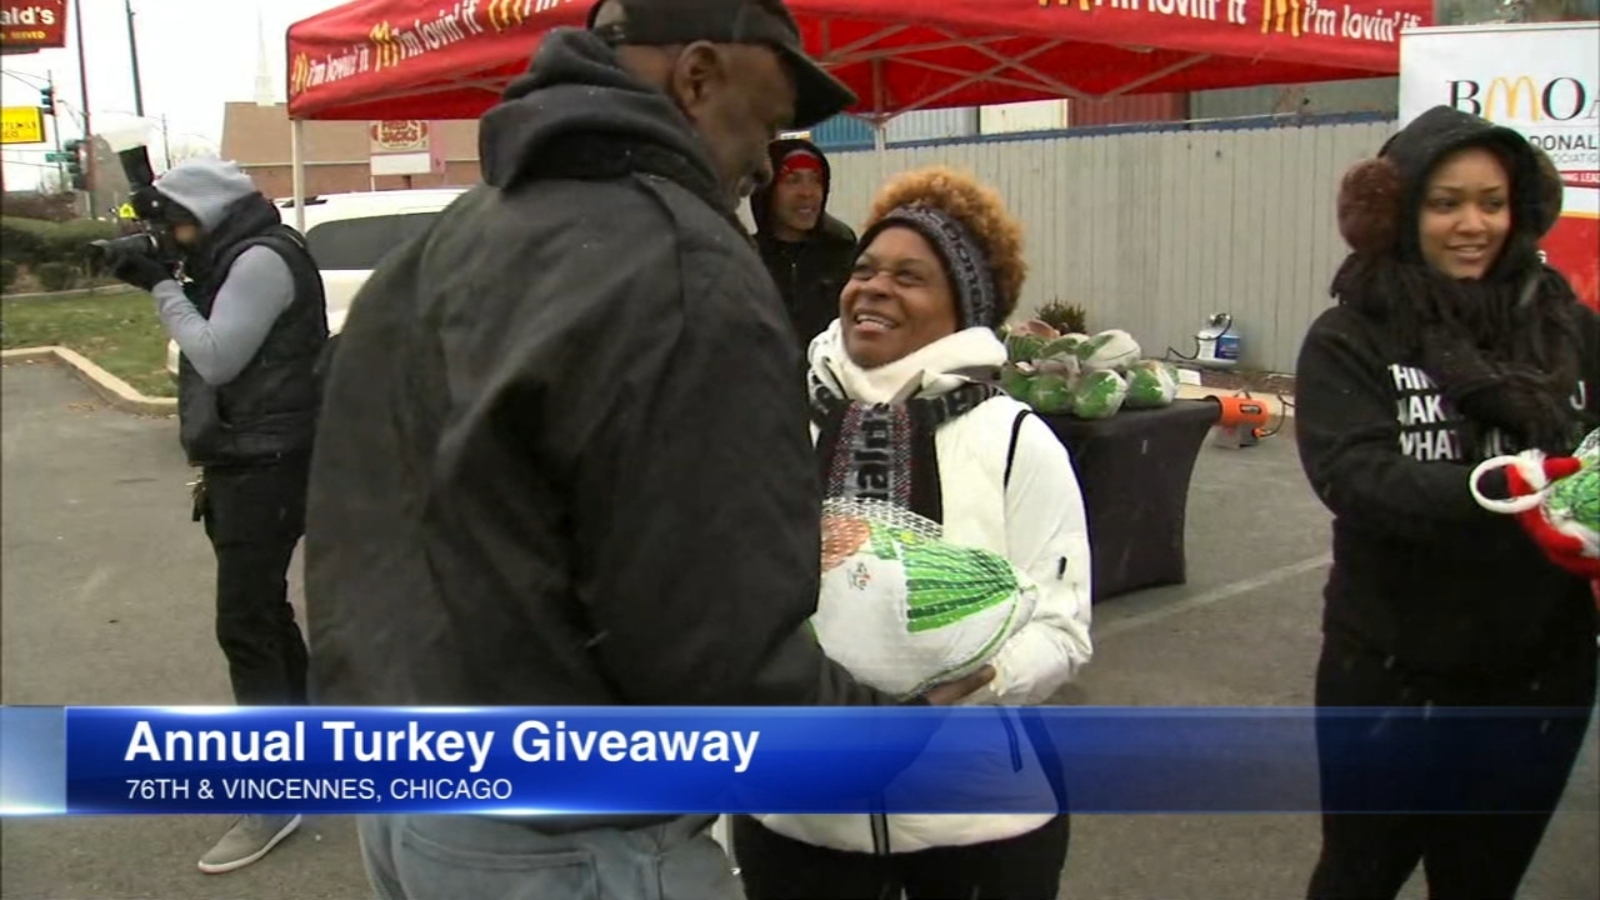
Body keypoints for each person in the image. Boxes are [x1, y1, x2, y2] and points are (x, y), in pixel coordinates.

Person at [301, 2, 991, 898]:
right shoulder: (681, 266)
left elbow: (355, 518)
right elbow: (712, 641)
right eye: (766, 122)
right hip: (577, 840)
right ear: (697, 77)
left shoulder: (444, 242)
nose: (766, 162)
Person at [731, 166, 1095, 900]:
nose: (872, 287)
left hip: (979, 824)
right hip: (801, 819)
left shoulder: (1016, 441)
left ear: (962, 309)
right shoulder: (781, 424)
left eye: (909, 276)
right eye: (863, 268)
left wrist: (961, 692)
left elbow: (1063, 629)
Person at [1294, 104, 1600, 900]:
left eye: (1492, 202)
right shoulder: (1352, 336)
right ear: (1399, 213)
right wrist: (1511, 492)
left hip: (1540, 675)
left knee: (1481, 883)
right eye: (1445, 202)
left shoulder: (1569, 326)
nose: (1473, 224)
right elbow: (1354, 475)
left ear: (1521, 209)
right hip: (1390, 668)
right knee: (1358, 877)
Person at [106, 158, 328, 874]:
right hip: (253, 455)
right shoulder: (240, 251)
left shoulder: (261, 259)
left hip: (267, 461)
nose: (171, 237)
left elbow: (217, 355)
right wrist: (175, 272)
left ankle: (275, 793)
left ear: (207, 210)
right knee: (264, 615)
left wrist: (163, 286)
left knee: (245, 621)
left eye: (175, 222)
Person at [750, 136, 857, 351]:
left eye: (816, 180)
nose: (807, 193)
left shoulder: (845, 257)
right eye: (793, 180)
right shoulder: (747, 260)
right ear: (767, 190)